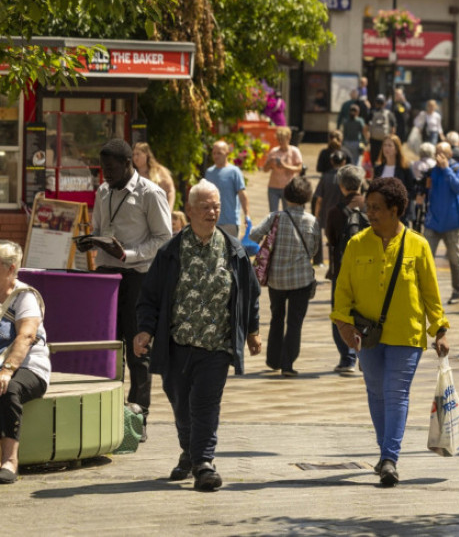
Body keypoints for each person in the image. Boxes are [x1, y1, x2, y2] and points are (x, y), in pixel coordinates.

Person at [134, 179, 262, 492]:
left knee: (205, 403)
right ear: (189, 210)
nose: (212, 212)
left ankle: (204, 463)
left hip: (216, 346)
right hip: (176, 345)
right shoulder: (170, 252)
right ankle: (189, 453)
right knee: (180, 404)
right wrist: (145, 330)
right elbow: (149, 296)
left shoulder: (233, 250)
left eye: (216, 206)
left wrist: (253, 331)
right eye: (205, 207)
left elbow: (251, 293)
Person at [332, 176, 450, 487]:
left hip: (406, 333)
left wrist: (439, 330)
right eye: (368, 207)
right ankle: (385, 450)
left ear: (395, 210)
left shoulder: (418, 245)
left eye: (376, 208)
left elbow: (430, 293)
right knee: (376, 393)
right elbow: (343, 290)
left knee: (396, 393)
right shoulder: (357, 244)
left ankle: (389, 458)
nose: (369, 213)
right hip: (367, 335)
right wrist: (343, 324)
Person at [77, 138, 171, 429]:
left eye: (111, 169)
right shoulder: (103, 191)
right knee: (108, 347)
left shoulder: (150, 193)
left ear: (128, 164)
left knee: (138, 349)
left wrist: (128, 254)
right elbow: (100, 228)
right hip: (106, 276)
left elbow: (164, 239)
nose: (106, 175)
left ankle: (138, 419)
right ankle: (109, 414)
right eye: (103, 169)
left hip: (137, 277)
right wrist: (91, 241)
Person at [249, 177, 320, 377]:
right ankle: (288, 364)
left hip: (276, 280)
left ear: (287, 196)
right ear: (307, 197)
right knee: (295, 322)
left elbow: (254, 235)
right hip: (302, 280)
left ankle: (274, 360)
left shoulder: (275, 217)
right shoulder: (312, 221)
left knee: (277, 318)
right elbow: (314, 249)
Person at [0, 241, 50, 484]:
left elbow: (27, 335)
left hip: (28, 366)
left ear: (10, 269)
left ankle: (10, 460)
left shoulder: (24, 296)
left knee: (8, 389)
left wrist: (7, 370)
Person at [326, 165, 367, 374]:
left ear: (341, 186)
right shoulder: (372, 206)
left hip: (342, 270)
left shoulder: (335, 211)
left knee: (340, 313)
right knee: (366, 312)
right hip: (369, 270)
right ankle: (366, 356)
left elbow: (331, 239)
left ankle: (347, 357)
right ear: (361, 183)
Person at [421, 142, 459, 305]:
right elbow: (426, 191)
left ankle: (458, 290)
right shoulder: (432, 171)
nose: (439, 156)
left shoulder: (457, 169)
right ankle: (424, 292)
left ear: (450, 154)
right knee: (425, 258)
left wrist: (447, 169)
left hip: (451, 223)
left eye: (442, 153)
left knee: (454, 259)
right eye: (437, 153)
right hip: (433, 222)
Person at [313, 149, 350, 277]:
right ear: (344, 162)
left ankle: (332, 268)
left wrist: (316, 215)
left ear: (331, 161)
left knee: (331, 241)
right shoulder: (346, 178)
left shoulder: (325, 177)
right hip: (344, 214)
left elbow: (319, 199)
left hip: (328, 216)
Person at [204, 140, 250, 238]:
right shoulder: (209, 172)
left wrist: (247, 215)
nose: (216, 156)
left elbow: (242, 194)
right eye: (214, 153)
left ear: (227, 153)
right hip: (211, 221)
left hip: (230, 222)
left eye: (219, 153)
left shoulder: (234, 171)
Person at [373, 134, 417, 225]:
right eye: (385, 145)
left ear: (396, 149)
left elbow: (412, 189)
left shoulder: (405, 168)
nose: (386, 148)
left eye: (390, 145)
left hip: (399, 215)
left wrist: (398, 199)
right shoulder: (378, 168)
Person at [263, 126, 303, 212]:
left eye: (282, 139)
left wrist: (285, 166)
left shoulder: (294, 151)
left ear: (288, 138)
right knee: (273, 213)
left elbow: (299, 168)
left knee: (288, 212)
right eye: (279, 139)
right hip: (273, 187)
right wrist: (270, 163)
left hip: (288, 187)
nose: (280, 142)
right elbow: (265, 170)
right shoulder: (274, 151)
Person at [132, 142, 176, 210]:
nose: (135, 157)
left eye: (138, 154)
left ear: (146, 154)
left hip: (157, 210)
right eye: (133, 155)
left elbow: (170, 191)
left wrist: (169, 210)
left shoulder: (159, 171)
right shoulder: (132, 174)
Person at [367, 94, 396, 164]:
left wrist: (368, 138)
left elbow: (365, 128)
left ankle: (375, 170)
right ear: (384, 103)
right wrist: (390, 139)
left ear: (376, 103)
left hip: (373, 140)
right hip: (385, 140)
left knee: (374, 159)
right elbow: (393, 128)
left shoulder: (372, 113)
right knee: (385, 158)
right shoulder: (389, 114)